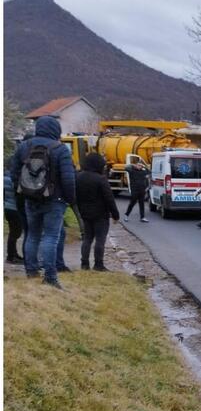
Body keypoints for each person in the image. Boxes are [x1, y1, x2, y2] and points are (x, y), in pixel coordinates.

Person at [10, 115, 76, 288]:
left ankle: (31, 272)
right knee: (51, 237)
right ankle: (50, 277)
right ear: (56, 129)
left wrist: (23, 192)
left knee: (32, 235)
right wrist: (70, 200)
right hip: (55, 200)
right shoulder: (61, 149)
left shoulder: (24, 146)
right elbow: (69, 179)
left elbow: (14, 173)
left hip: (30, 199)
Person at [76, 152, 120, 271]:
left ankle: (84, 264)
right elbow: (109, 198)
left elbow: (76, 197)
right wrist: (115, 215)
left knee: (87, 239)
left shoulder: (78, 177)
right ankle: (98, 264)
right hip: (100, 215)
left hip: (85, 213)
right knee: (100, 240)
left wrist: (80, 211)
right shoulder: (100, 179)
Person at [4, 167, 24, 263]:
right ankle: (11, 256)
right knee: (15, 233)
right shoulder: (13, 178)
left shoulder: (5, 178)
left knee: (13, 232)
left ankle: (13, 254)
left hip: (7, 207)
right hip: (15, 208)